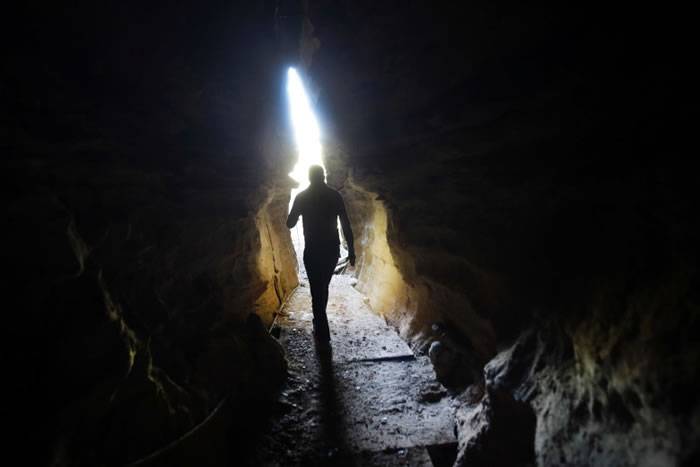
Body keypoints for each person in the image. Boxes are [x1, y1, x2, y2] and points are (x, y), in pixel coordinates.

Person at [287, 165, 355, 344]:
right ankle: (320, 322)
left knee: (316, 288)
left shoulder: (302, 197)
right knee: (322, 286)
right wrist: (352, 250)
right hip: (331, 249)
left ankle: (320, 324)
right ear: (323, 176)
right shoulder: (334, 196)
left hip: (312, 249)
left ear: (309, 177)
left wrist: (297, 210)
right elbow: (346, 224)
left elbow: (290, 223)